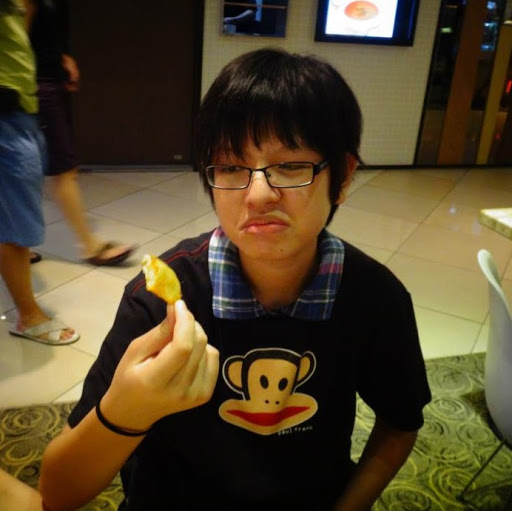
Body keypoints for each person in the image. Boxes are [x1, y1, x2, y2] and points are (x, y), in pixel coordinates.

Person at [39, 48, 431, 510]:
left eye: (290, 165)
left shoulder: (375, 298)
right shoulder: (161, 301)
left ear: (343, 177)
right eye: (230, 167)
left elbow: (400, 424)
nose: (258, 194)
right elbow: (59, 494)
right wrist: (125, 411)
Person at [27, 0, 135, 266]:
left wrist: (62, 59)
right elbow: (16, 42)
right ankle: (90, 246)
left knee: (34, 170)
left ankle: (15, 244)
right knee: (61, 169)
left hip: (45, 84)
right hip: (36, 88)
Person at [1, 0, 78, 345]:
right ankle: (28, 316)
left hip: (20, 104)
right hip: (6, 107)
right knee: (17, 221)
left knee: (13, 211)